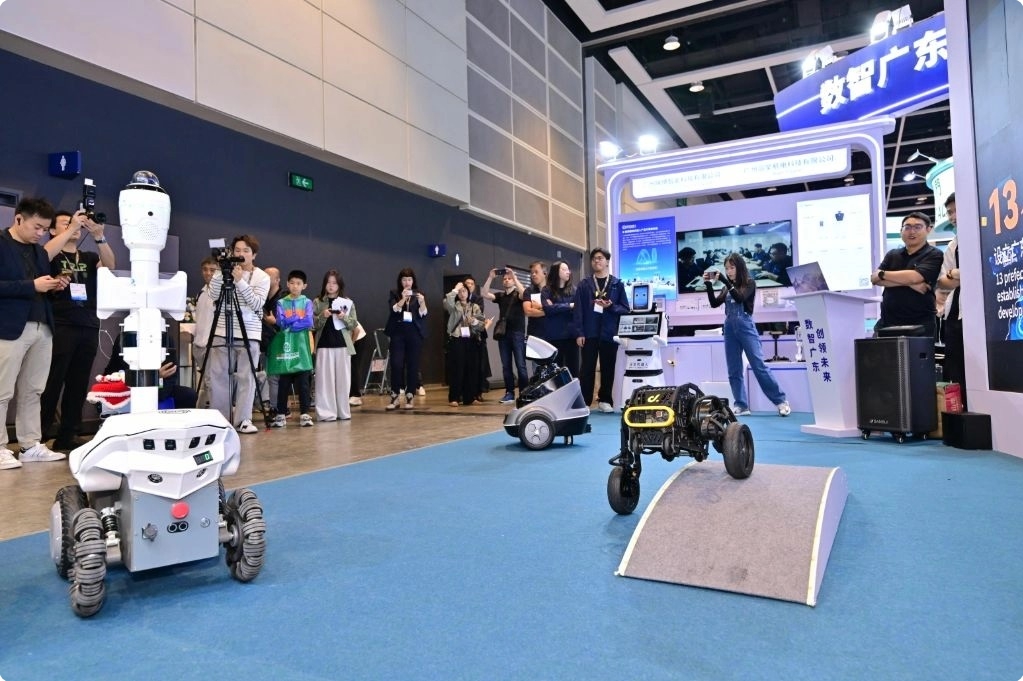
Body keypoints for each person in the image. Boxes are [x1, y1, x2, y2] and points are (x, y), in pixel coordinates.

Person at [0, 198, 69, 469]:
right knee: (2, 390)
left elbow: (41, 286)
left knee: (34, 390)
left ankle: (29, 445)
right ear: (18, 219)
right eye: (36, 227)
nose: (41, 233)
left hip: (43, 326)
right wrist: (32, 286)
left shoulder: (39, 252)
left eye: (44, 228)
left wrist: (54, 285)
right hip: (9, 327)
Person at [39, 209, 115, 452]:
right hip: (61, 324)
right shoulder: (51, 254)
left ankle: (68, 435)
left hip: (88, 324)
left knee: (78, 384)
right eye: (65, 223)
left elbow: (111, 266)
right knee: (52, 382)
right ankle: (38, 436)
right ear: (52, 230)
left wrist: (99, 236)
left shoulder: (89, 257)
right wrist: (72, 226)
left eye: (75, 223)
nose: (74, 225)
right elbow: (44, 254)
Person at [704, 254, 791, 417]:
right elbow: (714, 303)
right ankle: (741, 405)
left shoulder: (750, 283)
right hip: (729, 327)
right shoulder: (727, 287)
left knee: (758, 365)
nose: (729, 271)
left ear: (740, 268)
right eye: (727, 268)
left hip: (745, 326)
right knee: (734, 369)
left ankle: (781, 401)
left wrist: (725, 281)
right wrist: (708, 284)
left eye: (732, 268)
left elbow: (740, 298)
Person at [207, 234, 270, 433]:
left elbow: (257, 304)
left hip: (249, 333)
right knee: (218, 376)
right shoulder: (224, 271)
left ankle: (243, 419)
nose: (241, 254)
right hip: (222, 329)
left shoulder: (262, 277)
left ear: (254, 254)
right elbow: (213, 295)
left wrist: (240, 281)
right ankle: (220, 420)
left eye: (246, 251)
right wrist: (221, 270)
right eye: (237, 250)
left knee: (246, 377)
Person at [573, 247, 629, 412]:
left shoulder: (617, 284)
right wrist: (579, 332)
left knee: (608, 368)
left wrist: (611, 306)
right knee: (587, 368)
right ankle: (585, 401)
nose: (596, 261)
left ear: (607, 261)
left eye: (599, 258)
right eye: (593, 259)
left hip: (609, 333)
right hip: (589, 332)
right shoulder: (584, 284)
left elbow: (625, 309)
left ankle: (605, 400)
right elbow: (578, 310)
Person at [871, 212, 944, 338]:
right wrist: (910, 284)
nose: (912, 232)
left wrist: (882, 274)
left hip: (921, 324)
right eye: (907, 227)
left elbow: (915, 277)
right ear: (901, 231)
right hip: (888, 322)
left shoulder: (934, 254)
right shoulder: (892, 254)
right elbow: (874, 278)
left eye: (917, 227)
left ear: (928, 230)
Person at [268, 270, 314, 427]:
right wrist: (297, 319)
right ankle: (281, 414)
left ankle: (305, 414)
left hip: (302, 348)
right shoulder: (281, 302)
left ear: (304, 286)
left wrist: (292, 323)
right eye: (292, 283)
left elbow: (308, 322)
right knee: (284, 383)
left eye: (298, 283)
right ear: (287, 284)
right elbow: (281, 322)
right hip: (286, 348)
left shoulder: (307, 302)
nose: (295, 286)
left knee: (304, 383)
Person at [104, 332, 197, 410]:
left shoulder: (166, 337)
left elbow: (171, 375)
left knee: (189, 395)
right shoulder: (124, 338)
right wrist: (154, 375)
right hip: (131, 388)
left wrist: (157, 387)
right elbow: (111, 373)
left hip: (161, 388)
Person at [313, 269, 359, 422]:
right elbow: (312, 324)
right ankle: (326, 413)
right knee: (324, 381)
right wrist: (322, 316)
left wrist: (343, 317)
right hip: (324, 345)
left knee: (343, 381)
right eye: (328, 282)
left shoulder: (347, 302)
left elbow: (353, 324)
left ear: (339, 285)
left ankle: (343, 412)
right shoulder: (318, 302)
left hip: (342, 345)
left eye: (334, 283)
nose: (331, 286)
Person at [936, 193, 966, 407]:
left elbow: (979, 273)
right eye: (950, 212)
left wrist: (955, 274)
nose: (953, 216)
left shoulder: (985, 236)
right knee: (955, 368)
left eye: (957, 210)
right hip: (954, 314)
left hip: (980, 314)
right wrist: (956, 274)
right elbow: (942, 282)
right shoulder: (953, 245)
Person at [384, 267, 428, 410]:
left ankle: (410, 395)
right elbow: (394, 310)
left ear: (413, 281)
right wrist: (403, 298)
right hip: (398, 333)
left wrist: (422, 302)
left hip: (414, 333)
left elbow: (423, 314)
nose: (407, 282)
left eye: (409, 279)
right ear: (400, 281)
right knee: (396, 363)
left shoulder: (419, 294)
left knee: (413, 365)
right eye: (404, 280)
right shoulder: (394, 293)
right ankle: (395, 395)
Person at [482, 267, 527, 404]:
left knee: (521, 365)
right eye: (505, 279)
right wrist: (490, 277)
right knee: (506, 365)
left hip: (517, 333)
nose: (507, 280)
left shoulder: (518, 295)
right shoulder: (501, 296)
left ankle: (524, 393)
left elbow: (525, 294)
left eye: (509, 279)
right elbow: (484, 293)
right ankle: (509, 393)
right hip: (504, 335)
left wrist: (515, 277)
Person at [443, 281, 484, 406]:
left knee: (471, 369)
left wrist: (474, 322)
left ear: (468, 292)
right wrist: (455, 288)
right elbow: (447, 302)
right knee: (457, 368)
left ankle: (469, 397)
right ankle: (454, 398)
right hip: (457, 338)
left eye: (464, 291)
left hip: (471, 339)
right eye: (460, 292)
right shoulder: (453, 306)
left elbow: (482, 325)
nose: (462, 294)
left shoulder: (474, 307)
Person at [542, 259, 579, 377]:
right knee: (555, 373)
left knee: (573, 371)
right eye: (564, 269)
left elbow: (578, 309)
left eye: (568, 269)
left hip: (571, 336)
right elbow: (548, 309)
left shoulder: (574, 290)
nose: (568, 272)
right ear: (556, 272)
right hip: (554, 337)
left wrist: (556, 306)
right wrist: (569, 306)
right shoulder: (547, 290)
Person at [192, 256, 218, 408]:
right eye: (205, 270)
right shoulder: (201, 293)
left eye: (212, 270)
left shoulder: (220, 294)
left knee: (212, 380)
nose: (208, 273)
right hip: (199, 344)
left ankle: (216, 410)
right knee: (207, 381)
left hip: (212, 344)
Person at [259, 266, 284, 410]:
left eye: (269, 277)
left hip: (279, 343)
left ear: (277, 280)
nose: (265, 280)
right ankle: (276, 407)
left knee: (275, 377)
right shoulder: (262, 298)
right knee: (270, 377)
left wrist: (275, 321)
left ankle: (278, 408)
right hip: (265, 342)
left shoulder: (283, 299)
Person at [465, 275, 492, 400]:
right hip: (463, 335)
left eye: (471, 283)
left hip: (476, 335)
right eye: (467, 283)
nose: (469, 285)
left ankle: (478, 391)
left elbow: (478, 315)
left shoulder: (478, 299)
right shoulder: (458, 299)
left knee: (479, 364)